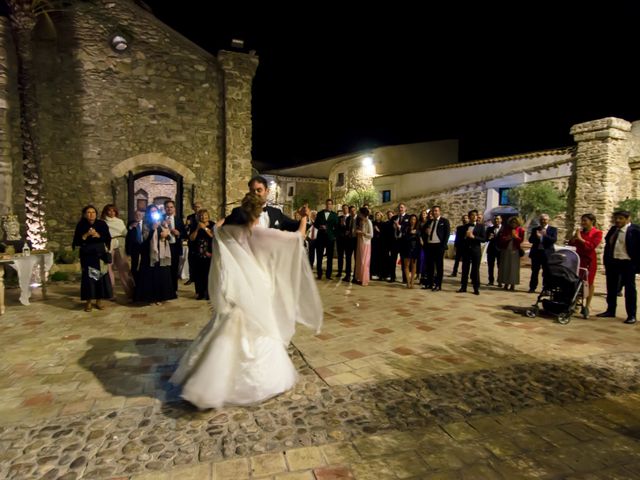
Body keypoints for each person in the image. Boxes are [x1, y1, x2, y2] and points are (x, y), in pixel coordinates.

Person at [170, 193, 322, 409]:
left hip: (237, 289)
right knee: (258, 328)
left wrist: (225, 218)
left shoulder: (229, 231)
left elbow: (215, 229)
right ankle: (248, 382)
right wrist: (305, 217)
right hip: (258, 288)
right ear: (259, 212)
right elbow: (298, 236)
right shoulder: (261, 234)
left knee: (229, 325)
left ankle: (210, 379)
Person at [597, 211, 640, 324]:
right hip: (613, 262)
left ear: (628, 219)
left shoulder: (635, 230)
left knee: (629, 289)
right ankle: (610, 310)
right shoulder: (613, 229)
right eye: (616, 218)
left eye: (620, 218)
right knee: (611, 287)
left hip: (628, 263)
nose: (618, 221)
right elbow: (608, 243)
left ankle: (631, 315)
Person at [225, 176, 304, 231]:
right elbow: (224, 233)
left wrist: (304, 217)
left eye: (259, 190)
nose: (255, 193)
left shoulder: (276, 213)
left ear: (267, 191)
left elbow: (295, 226)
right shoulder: (239, 212)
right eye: (252, 191)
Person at [72, 205, 112, 312]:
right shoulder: (81, 225)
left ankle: (99, 301)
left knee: (100, 277)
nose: (91, 214)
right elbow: (77, 241)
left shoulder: (101, 224)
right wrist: (86, 235)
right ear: (85, 214)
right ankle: (88, 302)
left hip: (99, 254)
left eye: (93, 212)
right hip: (88, 255)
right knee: (89, 278)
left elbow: (107, 237)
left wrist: (98, 235)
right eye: (88, 212)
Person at [134, 205, 176, 305]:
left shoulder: (162, 223)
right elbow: (144, 240)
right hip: (149, 254)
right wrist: (153, 229)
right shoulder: (145, 224)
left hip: (161, 254)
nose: (154, 214)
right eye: (152, 212)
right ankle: (150, 298)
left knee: (160, 275)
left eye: (155, 211)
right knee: (149, 276)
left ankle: (160, 297)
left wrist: (166, 233)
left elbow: (170, 239)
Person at [568, 213, 603, 318]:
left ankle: (587, 305)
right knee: (575, 280)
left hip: (589, 260)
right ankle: (575, 302)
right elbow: (572, 244)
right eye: (582, 221)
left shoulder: (597, 233)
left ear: (592, 221)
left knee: (589, 282)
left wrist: (580, 239)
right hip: (578, 259)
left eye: (585, 221)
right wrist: (574, 238)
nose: (583, 223)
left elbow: (592, 246)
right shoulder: (580, 232)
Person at [101, 204, 134, 299]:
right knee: (108, 269)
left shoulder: (119, 221)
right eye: (109, 210)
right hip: (108, 245)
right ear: (106, 211)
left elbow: (125, 233)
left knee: (124, 269)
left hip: (120, 245)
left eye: (113, 210)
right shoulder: (102, 222)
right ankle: (110, 293)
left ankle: (130, 292)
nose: (111, 212)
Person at [422, 206, 450, 291]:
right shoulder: (429, 221)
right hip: (430, 245)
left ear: (439, 212)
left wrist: (443, 246)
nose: (434, 212)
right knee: (430, 266)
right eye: (433, 211)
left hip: (439, 246)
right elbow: (423, 231)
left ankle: (438, 285)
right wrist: (426, 232)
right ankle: (430, 284)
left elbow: (447, 234)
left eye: (436, 211)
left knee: (439, 266)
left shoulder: (444, 221)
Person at [457, 210, 486, 295]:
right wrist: (465, 236)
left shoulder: (481, 226)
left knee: (475, 270)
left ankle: (476, 288)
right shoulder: (464, 227)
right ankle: (463, 287)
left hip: (476, 250)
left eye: (475, 215)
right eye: (472, 215)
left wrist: (474, 237)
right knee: (465, 269)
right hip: (466, 250)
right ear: (469, 217)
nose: (474, 217)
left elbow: (483, 239)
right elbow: (460, 239)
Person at [189, 209, 215, 300]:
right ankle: (200, 293)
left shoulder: (212, 224)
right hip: (198, 253)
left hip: (209, 252)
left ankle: (208, 293)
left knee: (208, 274)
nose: (203, 217)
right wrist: (197, 229)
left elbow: (213, 236)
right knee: (199, 274)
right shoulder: (195, 225)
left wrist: (205, 228)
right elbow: (192, 238)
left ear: (208, 216)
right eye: (201, 216)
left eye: (205, 215)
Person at [528, 213, 558, 293]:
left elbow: (553, 240)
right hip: (536, 253)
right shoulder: (535, 229)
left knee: (547, 272)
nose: (543, 221)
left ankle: (546, 288)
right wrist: (537, 237)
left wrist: (544, 236)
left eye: (545, 219)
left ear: (548, 220)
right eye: (541, 219)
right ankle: (532, 287)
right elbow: (530, 240)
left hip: (547, 254)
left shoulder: (553, 229)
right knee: (534, 271)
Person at [164, 200, 186, 296]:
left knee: (174, 269)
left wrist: (179, 233)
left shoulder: (178, 220)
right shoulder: (161, 219)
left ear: (174, 208)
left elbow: (185, 234)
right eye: (167, 207)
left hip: (175, 247)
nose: (169, 209)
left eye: (171, 207)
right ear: (164, 209)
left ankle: (173, 290)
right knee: (164, 269)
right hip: (163, 247)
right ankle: (165, 289)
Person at [497, 216, 525, 291]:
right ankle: (506, 283)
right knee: (506, 267)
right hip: (506, 250)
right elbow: (502, 239)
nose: (513, 224)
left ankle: (513, 284)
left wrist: (516, 237)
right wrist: (508, 238)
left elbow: (521, 240)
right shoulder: (506, 229)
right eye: (512, 222)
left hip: (515, 251)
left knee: (513, 268)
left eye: (515, 222)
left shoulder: (521, 230)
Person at [313, 199, 339, 279]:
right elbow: (316, 224)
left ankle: (328, 274)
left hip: (330, 238)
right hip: (320, 237)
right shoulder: (320, 213)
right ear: (325, 204)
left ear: (332, 205)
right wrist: (320, 226)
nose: (329, 205)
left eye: (330, 204)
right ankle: (319, 274)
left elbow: (337, 227)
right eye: (327, 204)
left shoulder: (334, 215)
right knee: (319, 256)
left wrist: (333, 235)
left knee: (330, 257)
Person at [391, 203, 411, 283]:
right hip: (395, 241)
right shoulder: (394, 217)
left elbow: (408, 228)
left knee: (404, 261)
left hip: (403, 242)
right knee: (393, 260)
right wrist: (393, 227)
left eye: (402, 207)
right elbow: (390, 228)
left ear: (405, 208)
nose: (400, 209)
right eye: (399, 207)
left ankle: (404, 278)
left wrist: (400, 227)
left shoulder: (408, 218)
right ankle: (392, 277)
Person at [354, 207, 373, 286]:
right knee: (359, 261)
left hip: (366, 243)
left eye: (359, 213)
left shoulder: (368, 221)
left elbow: (371, 235)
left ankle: (365, 279)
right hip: (360, 242)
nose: (358, 214)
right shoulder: (360, 221)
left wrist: (362, 233)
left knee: (364, 262)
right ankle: (359, 278)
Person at [184, 201, 202, 286]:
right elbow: (187, 228)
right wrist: (187, 225)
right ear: (193, 208)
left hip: (201, 241)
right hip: (192, 241)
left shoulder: (203, 217)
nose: (197, 208)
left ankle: (199, 278)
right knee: (191, 259)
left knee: (200, 260)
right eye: (195, 207)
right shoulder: (190, 217)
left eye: (198, 207)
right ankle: (191, 278)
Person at [125, 210, 144, 284]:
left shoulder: (146, 224)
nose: (138, 216)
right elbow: (128, 237)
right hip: (135, 247)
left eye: (140, 215)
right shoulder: (130, 223)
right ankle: (135, 280)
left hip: (143, 246)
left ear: (142, 216)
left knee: (143, 263)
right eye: (136, 215)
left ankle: (142, 279)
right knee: (134, 265)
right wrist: (130, 227)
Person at [402, 214, 421, 289]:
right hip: (406, 247)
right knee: (406, 265)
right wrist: (410, 233)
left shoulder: (418, 228)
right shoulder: (406, 228)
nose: (413, 221)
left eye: (414, 219)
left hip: (415, 248)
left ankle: (412, 281)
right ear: (410, 220)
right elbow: (404, 237)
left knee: (414, 265)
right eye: (412, 219)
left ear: (416, 221)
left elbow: (419, 237)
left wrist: (416, 233)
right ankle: (408, 281)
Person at [486, 215, 502, 287]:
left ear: (501, 220)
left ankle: (500, 281)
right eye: (495, 219)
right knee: (490, 266)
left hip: (500, 250)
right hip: (491, 249)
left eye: (498, 219)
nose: (496, 220)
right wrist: (489, 237)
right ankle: (491, 280)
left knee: (500, 266)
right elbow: (485, 239)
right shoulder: (489, 229)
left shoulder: (504, 229)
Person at [335, 204, 350, 278]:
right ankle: (339, 271)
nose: (345, 210)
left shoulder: (351, 218)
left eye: (346, 208)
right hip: (340, 240)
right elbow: (336, 228)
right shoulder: (339, 217)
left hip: (348, 240)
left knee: (348, 257)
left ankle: (347, 273)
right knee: (340, 257)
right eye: (343, 208)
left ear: (348, 209)